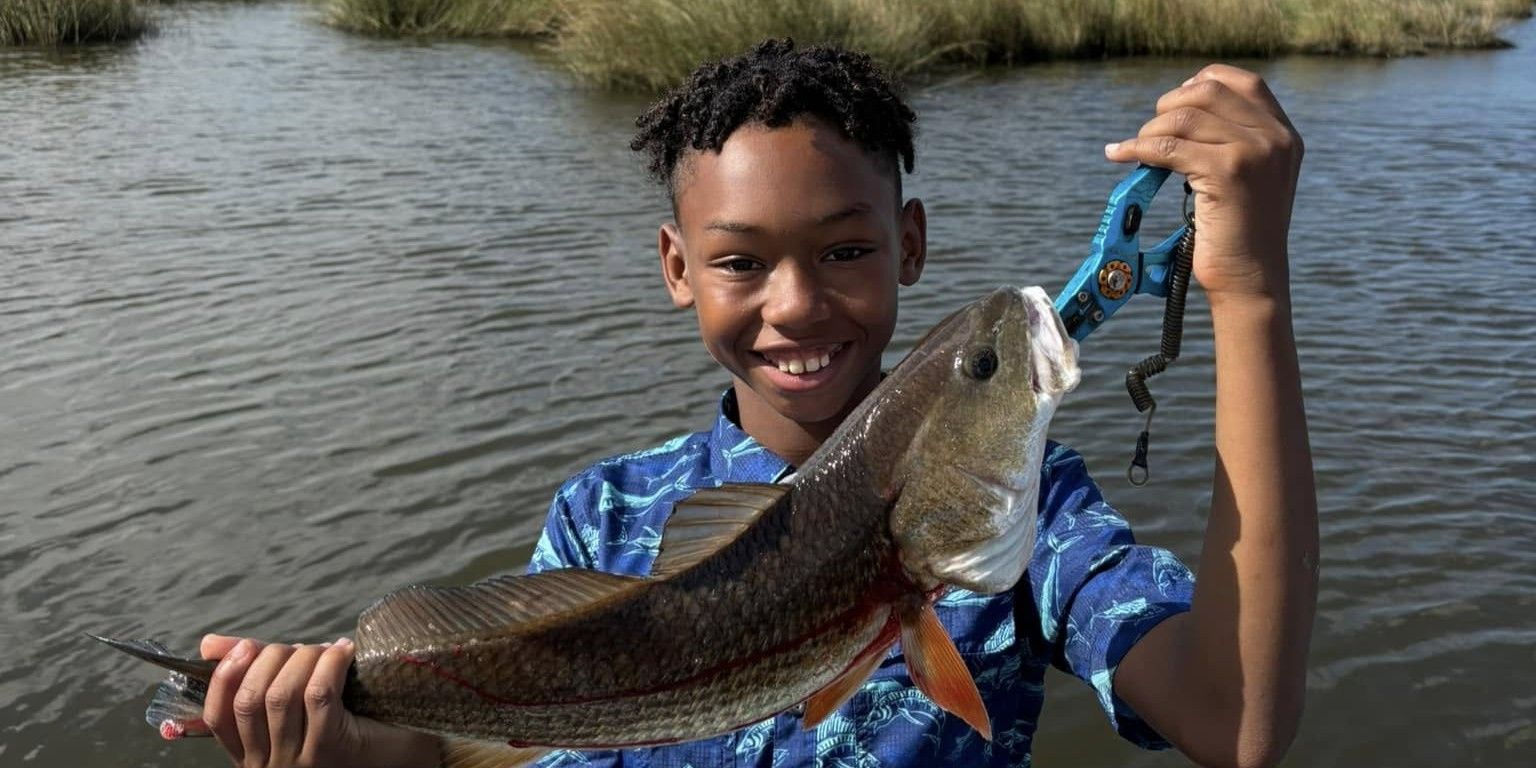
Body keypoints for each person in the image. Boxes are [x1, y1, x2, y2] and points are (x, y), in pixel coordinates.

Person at [194, 39, 1318, 768]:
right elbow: (478, 743)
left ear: (909, 244)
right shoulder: (604, 516)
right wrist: (337, 737)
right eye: (740, 262)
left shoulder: (1036, 520)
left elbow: (1233, 719)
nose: (796, 304)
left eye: (845, 250)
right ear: (677, 267)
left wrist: (1249, 292)